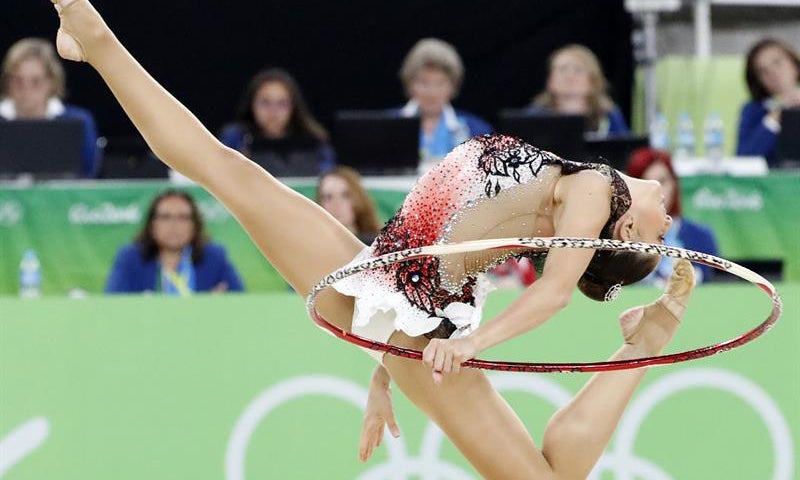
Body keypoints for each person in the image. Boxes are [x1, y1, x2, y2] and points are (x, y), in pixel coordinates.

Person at [50, 2, 693, 478]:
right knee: (228, 169)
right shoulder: (582, 183)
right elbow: (435, 253)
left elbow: (552, 295)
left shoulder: (590, 198)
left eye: (662, 237)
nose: (671, 220)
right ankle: (94, 34)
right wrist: (384, 377)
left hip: (420, 326)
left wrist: (470, 345)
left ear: (626, 232)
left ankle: (643, 346)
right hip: (380, 283)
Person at [105, 190, 244, 294]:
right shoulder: (130, 258)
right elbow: (113, 304)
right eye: (165, 217)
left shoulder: (215, 257)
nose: (174, 225)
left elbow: (239, 302)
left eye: (183, 218)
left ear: (195, 226)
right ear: (152, 226)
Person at [0, 37, 100, 177]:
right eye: (18, 80)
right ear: (8, 81)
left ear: (51, 82)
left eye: (35, 81)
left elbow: (88, 175)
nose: (25, 89)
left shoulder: (79, 121)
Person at [397, 38, 492, 173]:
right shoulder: (385, 127)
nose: (432, 92)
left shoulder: (477, 129)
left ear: (453, 87)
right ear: (410, 84)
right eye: (424, 83)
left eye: (440, 83)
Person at [627, 147, 719, 284]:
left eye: (662, 182)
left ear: (674, 184)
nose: (658, 192)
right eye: (648, 183)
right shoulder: (622, 239)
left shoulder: (702, 237)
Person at [219, 68, 335, 176]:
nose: (273, 111)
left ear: (293, 107)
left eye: (281, 103)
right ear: (251, 104)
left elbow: (328, 178)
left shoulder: (314, 140)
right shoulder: (236, 137)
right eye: (265, 102)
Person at [530, 44, 630, 138]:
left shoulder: (608, 115)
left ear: (593, 81)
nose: (570, 76)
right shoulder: (534, 117)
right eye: (562, 69)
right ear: (550, 81)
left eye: (578, 70)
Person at [736, 38, 800, 167]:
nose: (773, 73)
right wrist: (776, 116)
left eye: (777, 63)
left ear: (794, 64)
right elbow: (744, 159)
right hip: (771, 184)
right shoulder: (753, 110)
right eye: (763, 71)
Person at [316, 166, 381, 245]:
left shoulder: (379, 245)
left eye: (345, 195)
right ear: (319, 203)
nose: (336, 204)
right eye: (328, 197)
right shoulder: (310, 246)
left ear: (359, 199)